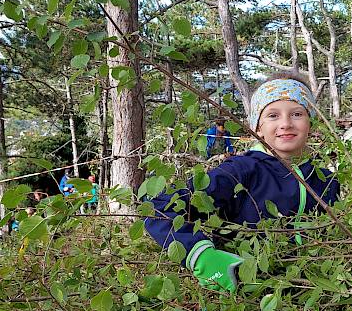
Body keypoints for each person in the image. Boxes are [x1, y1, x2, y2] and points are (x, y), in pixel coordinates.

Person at [145, 72, 340, 293]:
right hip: (245, 300)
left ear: (310, 122)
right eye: (273, 115)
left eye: (297, 113)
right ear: (257, 127)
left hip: (314, 303)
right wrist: (200, 255)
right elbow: (159, 209)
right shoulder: (241, 170)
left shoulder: (327, 180)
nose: (286, 124)